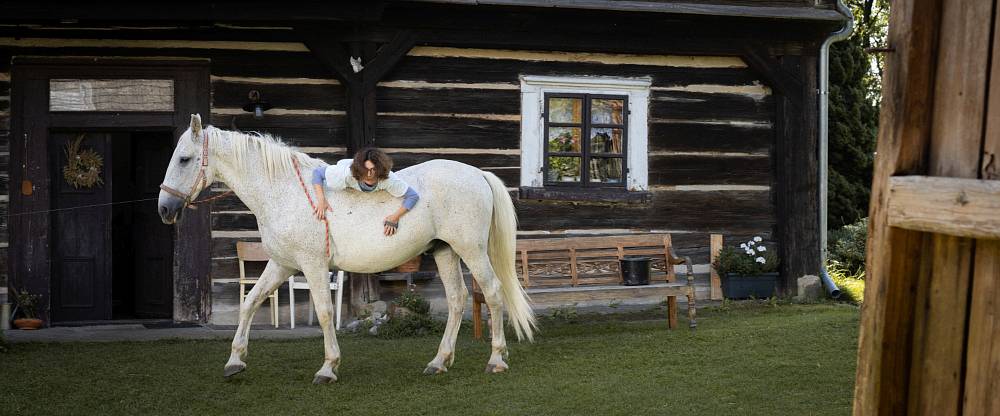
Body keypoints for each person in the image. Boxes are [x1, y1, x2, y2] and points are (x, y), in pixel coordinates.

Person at [311, 147, 419, 236]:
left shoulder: (389, 179)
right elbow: (317, 173)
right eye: (365, 170)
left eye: (373, 170)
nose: (369, 174)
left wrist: (395, 217)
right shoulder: (346, 174)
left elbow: (412, 196)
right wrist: (321, 200)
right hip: (345, 166)